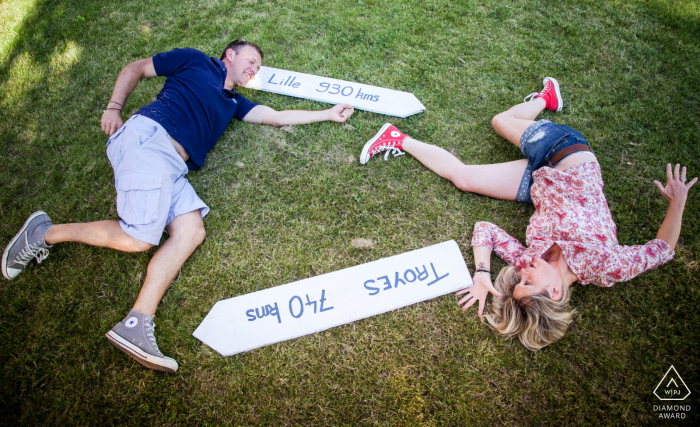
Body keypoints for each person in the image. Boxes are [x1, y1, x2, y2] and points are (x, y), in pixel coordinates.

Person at [2, 39, 354, 372]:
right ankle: (43, 233)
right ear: (229, 54)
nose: (254, 69)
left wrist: (326, 114)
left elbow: (276, 116)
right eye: (251, 61)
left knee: (190, 231)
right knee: (138, 238)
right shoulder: (195, 60)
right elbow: (136, 68)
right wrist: (114, 107)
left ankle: (137, 323)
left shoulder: (234, 103)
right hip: (149, 140)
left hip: (172, 168)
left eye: (258, 67)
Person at [359, 77, 696, 350]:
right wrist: (676, 203)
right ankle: (546, 98)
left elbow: (485, 229)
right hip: (565, 154)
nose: (524, 272)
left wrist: (481, 273)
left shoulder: (528, 261)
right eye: (529, 282)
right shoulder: (605, 267)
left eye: (520, 280)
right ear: (555, 293)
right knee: (500, 121)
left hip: (536, 182)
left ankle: (396, 137)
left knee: (463, 178)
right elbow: (662, 250)